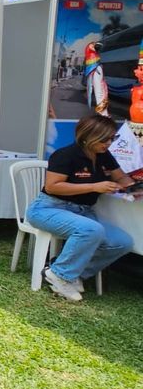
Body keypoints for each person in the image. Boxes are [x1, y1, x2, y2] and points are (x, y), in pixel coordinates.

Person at [26, 114, 136, 301]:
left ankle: (70, 273)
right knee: (91, 230)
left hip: (83, 211)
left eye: (112, 138)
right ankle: (60, 274)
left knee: (122, 242)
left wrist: (132, 186)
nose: (109, 143)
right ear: (88, 136)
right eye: (105, 139)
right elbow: (53, 186)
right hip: (48, 209)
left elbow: (121, 177)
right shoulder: (64, 155)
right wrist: (95, 186)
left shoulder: (104, 155)